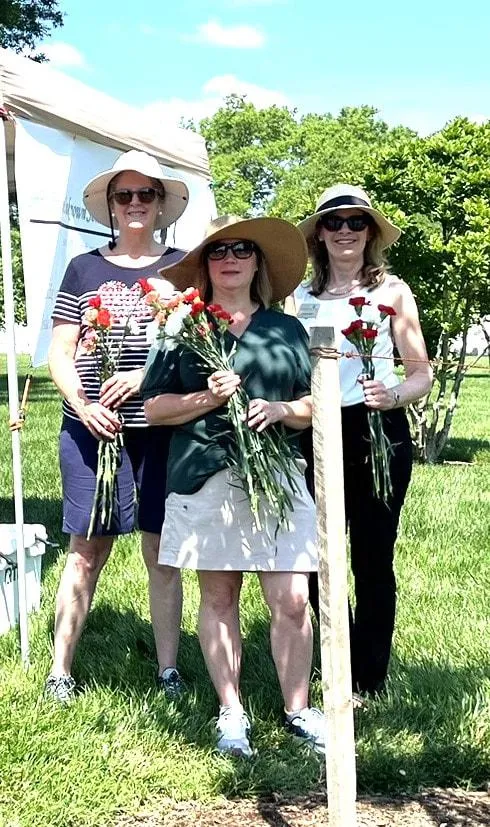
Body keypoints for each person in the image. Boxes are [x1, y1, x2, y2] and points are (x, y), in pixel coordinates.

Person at [141, 215, 326, 758]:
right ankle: (231, 712)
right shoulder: (184, 326)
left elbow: (316, 403)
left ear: (257, 262)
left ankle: (297, 710)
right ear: (205, 263)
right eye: (218, 250)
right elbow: (154, 408)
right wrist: (208, 399)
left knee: (292, 599)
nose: (230, 258)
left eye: (242, 249)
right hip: (205, 474)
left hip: (278, 474)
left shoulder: (288, 329)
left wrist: (283, 408)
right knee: (220, 596)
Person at [45, 150, 190, 702]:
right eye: (123, 196)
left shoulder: (181, 266)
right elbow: (59, 351)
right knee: (86, 548)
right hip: (91, 430)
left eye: (144, 195)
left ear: (160, 205)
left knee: (162, 550)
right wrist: (83, 404)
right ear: (109, 205)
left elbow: (192, 349)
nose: (134, 204)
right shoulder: (83, 268)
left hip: (160, 429)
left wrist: (144, 373)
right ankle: (61, 670)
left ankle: (169, 670)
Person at [289, 183, 433, 697]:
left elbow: (420, 373)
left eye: (355, 222)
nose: (344, 231)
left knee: (373, 556)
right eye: (334, 222)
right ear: (319, 234)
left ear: (370, 231)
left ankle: (369, 677)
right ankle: (335, 659)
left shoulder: (391, 291)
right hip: (313, 429)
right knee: (314, 557)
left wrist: (392, 396)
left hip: (377, 431)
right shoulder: (298, 297)